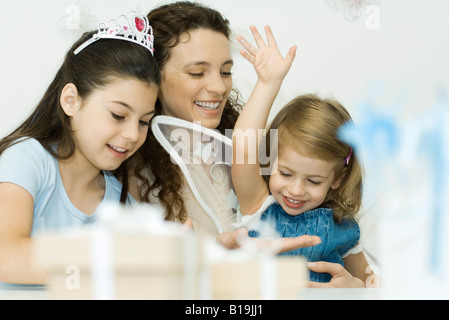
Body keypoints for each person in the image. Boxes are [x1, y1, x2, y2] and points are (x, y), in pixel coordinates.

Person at [0, 10, 160, 284]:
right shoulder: (27, 159)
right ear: (71, 100)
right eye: (118, 116)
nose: (133, 134)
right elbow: (7, 256)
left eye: (144, 122)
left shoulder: (121, 200)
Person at [232, 25, 372, 287]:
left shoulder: (343, 227)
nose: (295, 189)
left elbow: (371, 283)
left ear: (338, 179)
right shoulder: (258, 206)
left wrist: (357, 287)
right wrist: (268, 83)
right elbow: (243, 146)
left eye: (314, 181)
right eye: (285, 173)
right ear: (269, 158)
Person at [129, 1, 243, 237]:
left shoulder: (243, 144)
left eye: (226, 72)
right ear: (153, 76)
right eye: (197, 73)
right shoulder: (131, 166)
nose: (219, 87)